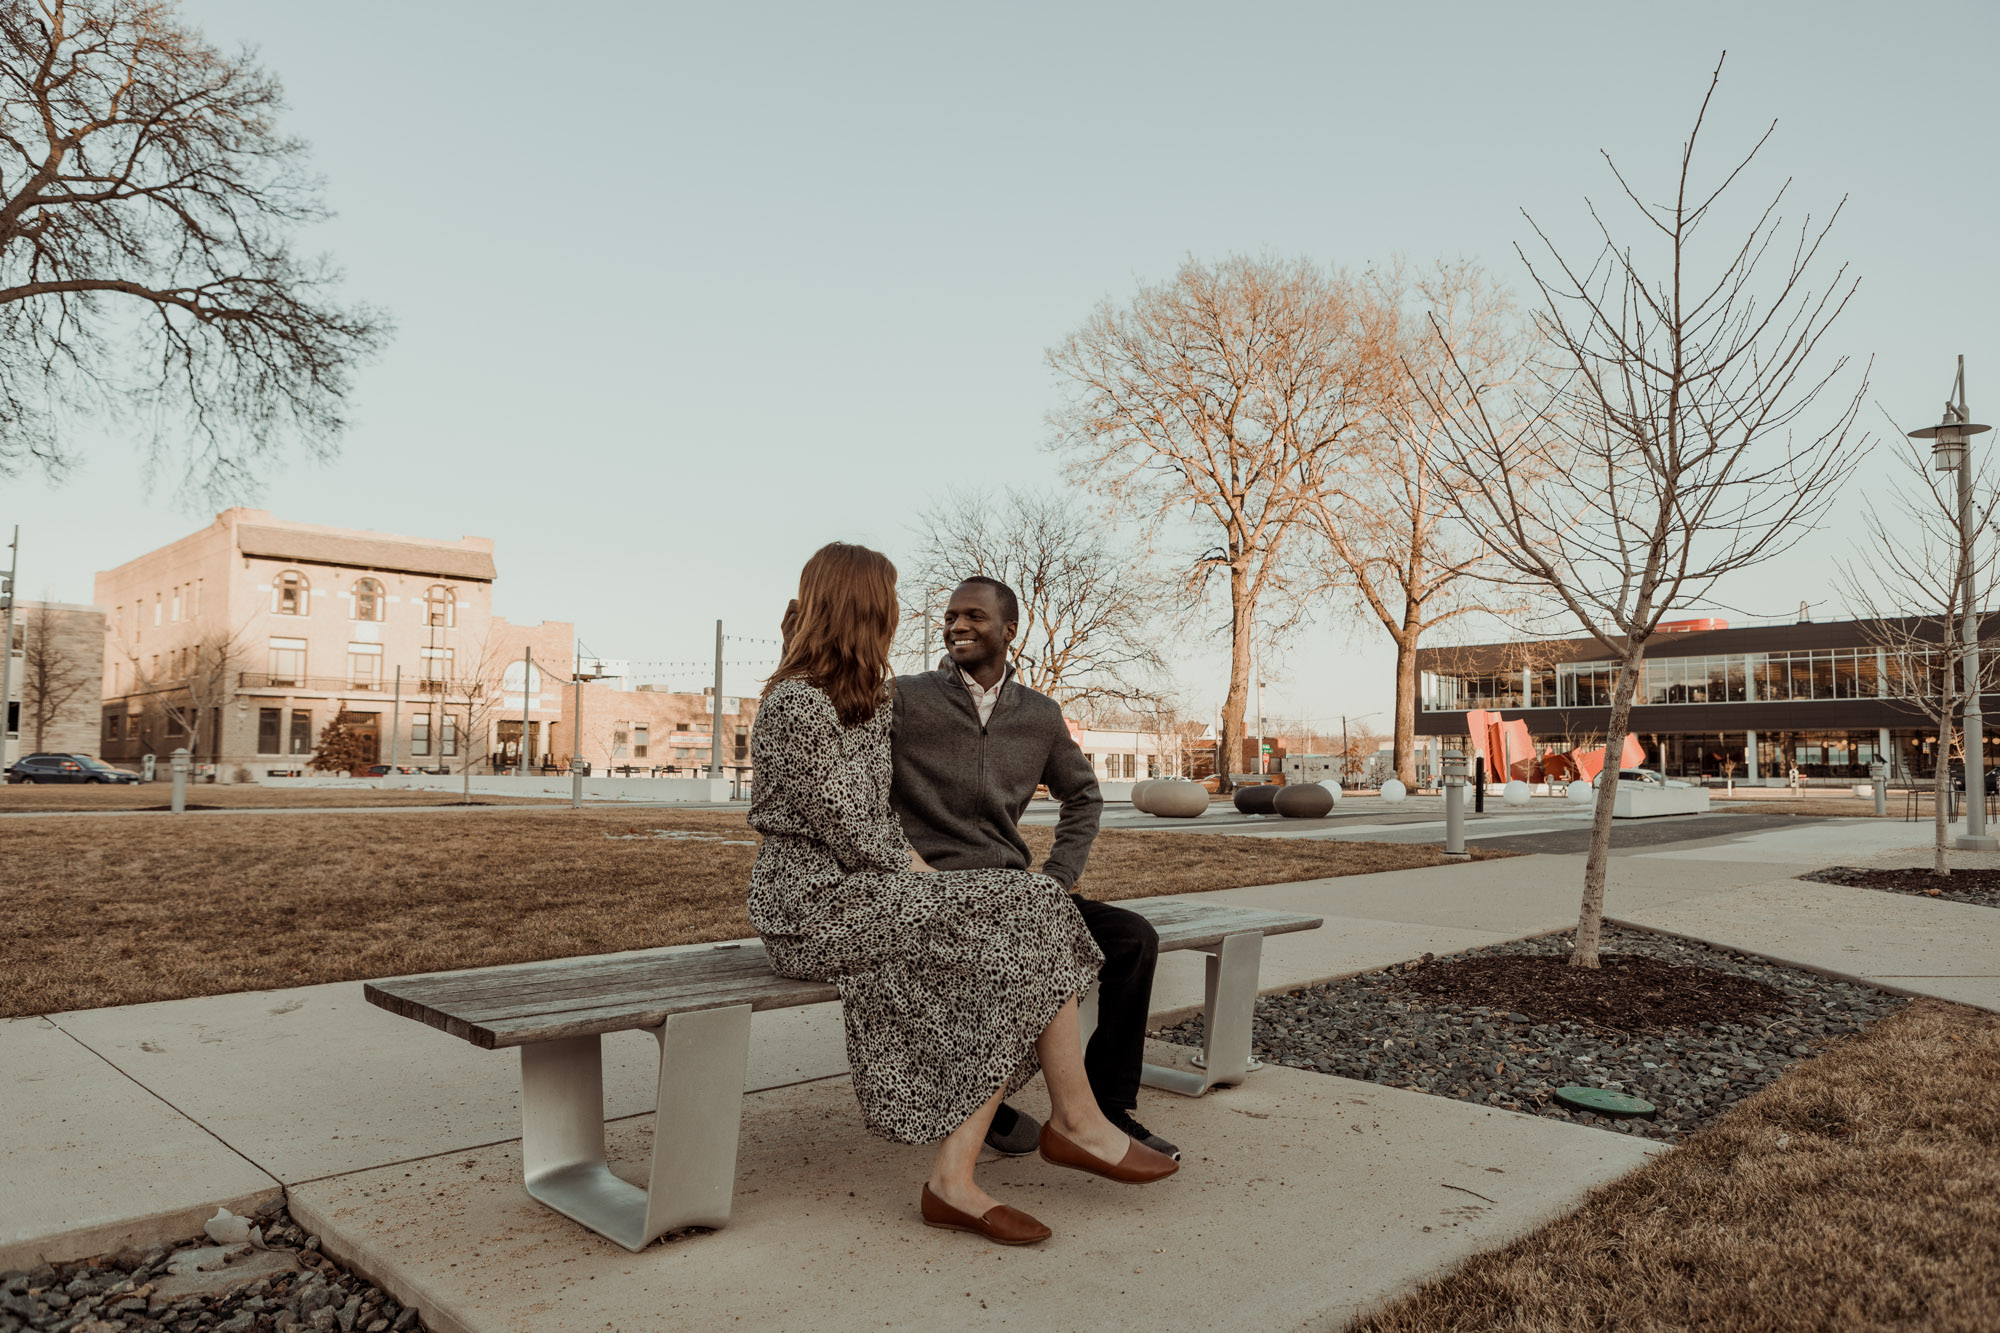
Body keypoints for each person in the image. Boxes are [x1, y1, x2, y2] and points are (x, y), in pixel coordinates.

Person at [747, 542, 1177, 1247]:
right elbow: (853, 825)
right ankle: (1073, 1121)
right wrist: (937, 883)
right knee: (1028, 914)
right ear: (862, 607)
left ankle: (970, 1171)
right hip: (812, 908)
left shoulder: (860, 701)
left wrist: (987, 885)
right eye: (889, 599)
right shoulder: (799, 704)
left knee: (1040, 913)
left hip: (872, 893)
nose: (902, 613)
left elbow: (877, 817)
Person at [891, 575, 1179, 1161]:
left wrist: (1057, 877)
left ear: (1009, 631)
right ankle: (982, 1103)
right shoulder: (904, 699)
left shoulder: (1041, 715)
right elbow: (862, 791)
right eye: (950, 617)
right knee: (992, 964)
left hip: (1018, 892)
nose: (957, 626)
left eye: (973, 616)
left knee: (1133, 940)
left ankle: (1105, 1108)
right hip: (932, 891)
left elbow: (1084, 796)